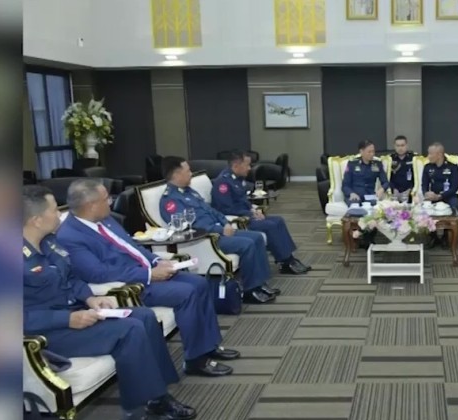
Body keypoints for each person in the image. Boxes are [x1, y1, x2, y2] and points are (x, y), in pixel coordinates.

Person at [22, 185, 196, 420]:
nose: (60, 214)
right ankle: (140, 409)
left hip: (75, 312)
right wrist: (67, 319)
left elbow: (71, 278)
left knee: (144, 316)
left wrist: (90, 297)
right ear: (36, 220)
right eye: (54, 210)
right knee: (130, 330)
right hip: (46, 333)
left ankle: (158, 395)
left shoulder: (49, 242)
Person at [56, 179, 240, 378]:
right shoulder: (69, 236)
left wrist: (157, 261)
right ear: (91, 205)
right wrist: (149, 275)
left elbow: (133, 247)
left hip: (147, 271)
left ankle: (208, 346)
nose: (110, 202)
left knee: (200, 283)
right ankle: (196, 360)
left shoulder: (105, 219)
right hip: (131, 284)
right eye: (106, 199)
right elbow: (98, 273)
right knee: (187, 293)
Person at [158, 156, 279, 304]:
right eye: (188, 171)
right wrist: (220, 230)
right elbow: (190, 226)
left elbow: (212, 211)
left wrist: (225, 223)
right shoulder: (170, 200)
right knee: (247, 244)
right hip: (207, 239)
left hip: (220, 230)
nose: (191, 174)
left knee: (257, 237)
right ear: (177, 174)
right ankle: (250, 290)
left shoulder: (189, 192)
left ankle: (259, 284)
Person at [211, 150, 310, 275]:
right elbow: (225, 209)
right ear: (236, 166)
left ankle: (289, 258)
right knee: (270, 226)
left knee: (278, 220)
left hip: (246, 214)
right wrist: (250, 214)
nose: (249, 168)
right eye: (247, 165)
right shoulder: (223, 183)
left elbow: (242, 200)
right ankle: (285, 261)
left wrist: (254, 208)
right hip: (238, 220)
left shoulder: (237, 179)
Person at [389, 135, 415, 199]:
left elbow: (418, 178)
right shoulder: (390, 159)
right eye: (398, 146)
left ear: (407, 145)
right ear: (394, 146)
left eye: (402, 145)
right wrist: (393, 189)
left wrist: (410, 190)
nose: (400, 148)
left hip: (410, 193)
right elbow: (387, 177)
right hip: (394, 193)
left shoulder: (414, 158)